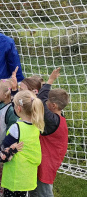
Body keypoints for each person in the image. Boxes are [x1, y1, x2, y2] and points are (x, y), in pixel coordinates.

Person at [29, 68, 69, 197]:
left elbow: (40, 100)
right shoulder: (58, 117)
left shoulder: (52, 120)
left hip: (47, 164)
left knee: (44, 193)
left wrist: (50, 80)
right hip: (47, 161)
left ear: (53, 106)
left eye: (48, 103)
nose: (45, 104)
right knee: (35, 191)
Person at [1, 90, 44, 197]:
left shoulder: (16, 128)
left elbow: (4, 148)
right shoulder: (36, 126)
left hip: (15, 176)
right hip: (28, 175)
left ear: (18, 108)